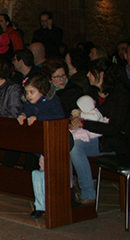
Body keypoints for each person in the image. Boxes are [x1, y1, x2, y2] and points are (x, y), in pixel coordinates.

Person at [69, 58, 130, 203]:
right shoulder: (93, 92)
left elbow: (114, 128)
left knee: (75, 148)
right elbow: (86, 113)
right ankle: (68, 190)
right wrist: (75, 121)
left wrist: (84, 124)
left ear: (102, 75)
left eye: (91, 72)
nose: (88, 75)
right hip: (97, 136)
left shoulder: (121, 95)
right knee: (67, 142)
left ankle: (88, 194)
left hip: (117, 141)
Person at [17, 74, 64, 219]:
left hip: (57, 144)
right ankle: (40, 206)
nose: (28, 96)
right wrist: (23, 115)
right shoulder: (29, 103)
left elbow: (59, 117)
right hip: (42, 146)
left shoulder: (51, 101)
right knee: (39, 173)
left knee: (56, 175)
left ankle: (59, 202)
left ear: (42, 90)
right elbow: (27, 112)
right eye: (26, 92)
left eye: (32, 92)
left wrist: (38, 119)